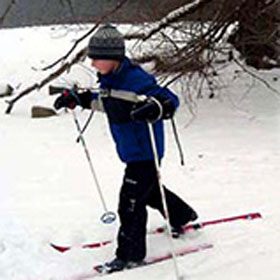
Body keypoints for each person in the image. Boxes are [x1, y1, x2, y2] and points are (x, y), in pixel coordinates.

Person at [54, 24, 198, 272]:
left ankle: (130, 255)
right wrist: (78, 99)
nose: (92, 63)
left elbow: (168, 99)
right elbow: (106, 103)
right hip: (131, 152)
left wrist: (158, 107)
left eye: (96, 58)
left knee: (129, 202)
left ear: (112, 57)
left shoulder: (137, 80)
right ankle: (182, 217)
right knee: (150, 191)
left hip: (145, 153)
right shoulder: (110, 80)